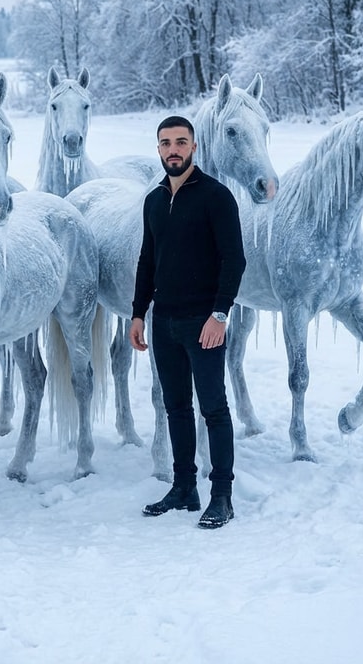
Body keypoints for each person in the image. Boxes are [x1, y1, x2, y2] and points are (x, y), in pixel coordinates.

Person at [129, 115, 246, 529]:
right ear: (158, 148)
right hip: (165, 321)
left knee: (213, 408)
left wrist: (220, 314)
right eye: (165, 143)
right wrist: (139, 312)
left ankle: (222, 495)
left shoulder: (216, 196)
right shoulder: (155, 200)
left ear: (194, 147)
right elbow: (147, 261)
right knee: (175, 407)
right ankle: (184, 487)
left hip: (204, 321)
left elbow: (235, 260)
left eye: (181, 142)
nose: (173, 149)